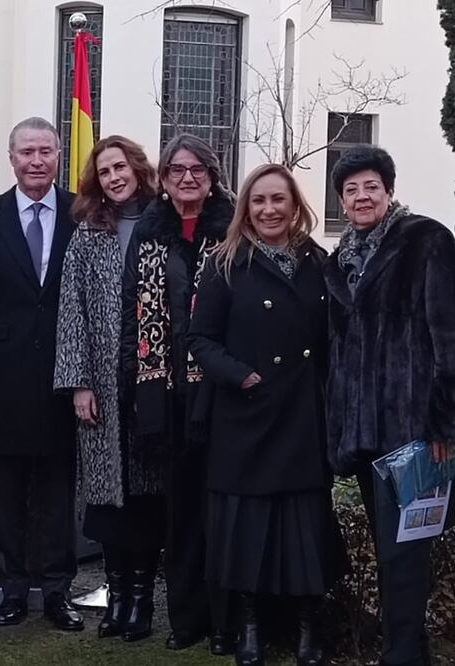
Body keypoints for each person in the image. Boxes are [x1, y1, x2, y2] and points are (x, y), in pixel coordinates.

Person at [189, 164, 342, 666]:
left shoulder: (318, 261)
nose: (269, 209)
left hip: (301, 414)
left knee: (303, 529)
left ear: (295, 205)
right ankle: (248, 629)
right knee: (247, 531)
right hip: (247, 414)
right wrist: (241, 375)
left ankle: (306, 631)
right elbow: (199, 339)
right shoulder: (225, 262)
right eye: (259, 201)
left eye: (279, 200)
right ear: (245, 208)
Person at [324, 145, 455, 666]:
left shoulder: (426, 241)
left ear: (389, 190)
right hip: (362, 431)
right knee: (388, 548)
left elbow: (448, 337)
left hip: (412, 427)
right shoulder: (341, 260)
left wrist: (445, 421)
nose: (361, 196)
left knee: (406, 550)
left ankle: (401, 655)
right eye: (350, 189)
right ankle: (409, 648)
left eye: (370, 186)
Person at [0, 117, 82, 631]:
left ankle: (57, 593)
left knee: (56, 494)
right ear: (12, 158)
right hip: (0, 380)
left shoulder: (82, 214)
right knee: (5, 494)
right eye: (26, 152)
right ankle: (11, 591)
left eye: (45, 151)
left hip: (63, 377)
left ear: (57, 156)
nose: (36, 161)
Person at [120, 133, 234, 655]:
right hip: (167, 396)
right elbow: (131, 322)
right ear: (162, 181)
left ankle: (229, 619)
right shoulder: (147, 236)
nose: (187, 178)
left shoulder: (236, 231)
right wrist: (134, 394)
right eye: (176, 170)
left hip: (224, 395)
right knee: (181, 514)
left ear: (212, 177)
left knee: (226, 512)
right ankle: (187, 618)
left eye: (197, 170)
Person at [53, 135, 164, 643]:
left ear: (138, 168)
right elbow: (70, 309)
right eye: (104, 172)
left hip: (148, 384)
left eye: (120, 167)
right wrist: (77, 383)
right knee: (107, 501)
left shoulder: (161, 225)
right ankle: (115, 598)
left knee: (144, 496)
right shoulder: (89, 232)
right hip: (99, 386)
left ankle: (141, 600)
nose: (114, 177)